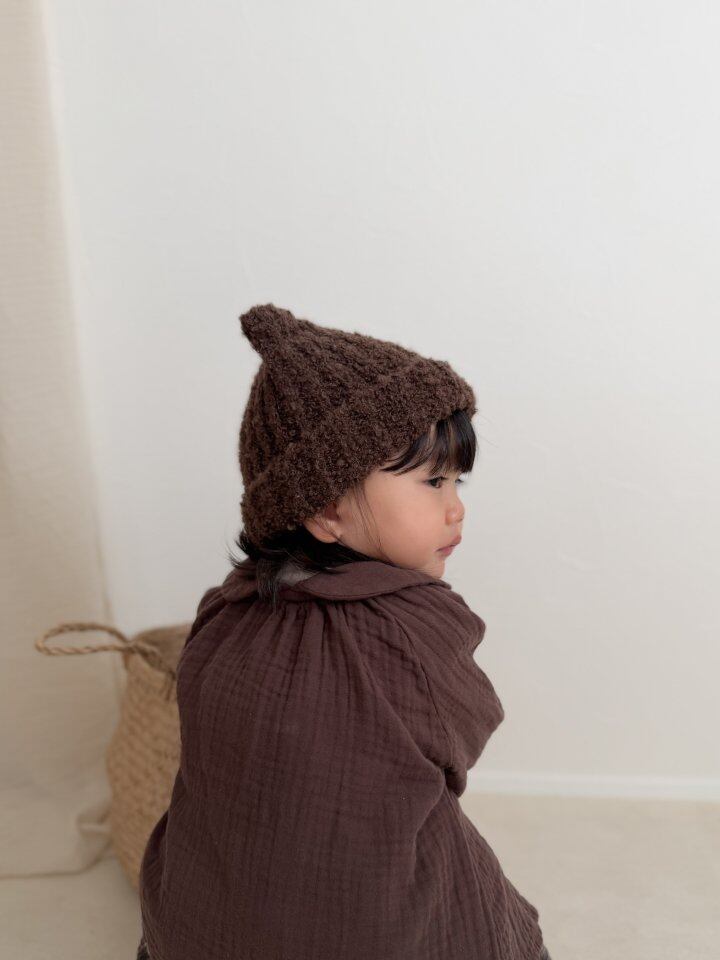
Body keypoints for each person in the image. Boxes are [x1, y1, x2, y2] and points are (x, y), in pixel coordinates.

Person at [136, 303, 552, 959]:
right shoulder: (412, 622)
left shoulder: (224, 612)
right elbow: (459, 740)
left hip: (202, 926)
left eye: (458, 481)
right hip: (369, 926)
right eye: (433, 481)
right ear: (328, 508)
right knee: (454, 884)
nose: (455, 508)